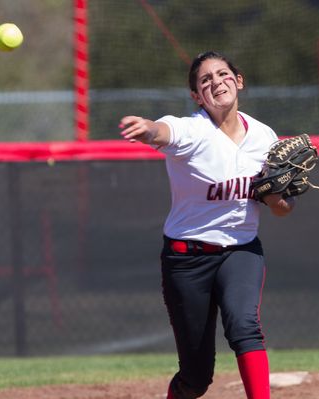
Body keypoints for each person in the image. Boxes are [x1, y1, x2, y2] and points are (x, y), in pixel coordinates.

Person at [119, 50, 295, 399]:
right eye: (205, 80)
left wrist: (277, 197)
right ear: (197, 96)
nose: (216, 81)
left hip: (241, 251)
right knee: (196, 377)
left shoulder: (264, 137)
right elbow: (165, 131)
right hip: (187, 259)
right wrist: (149, 129)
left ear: (238, 80)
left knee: (245, 327)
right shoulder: (193, 131)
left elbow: (283, 208)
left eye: (223, 74)